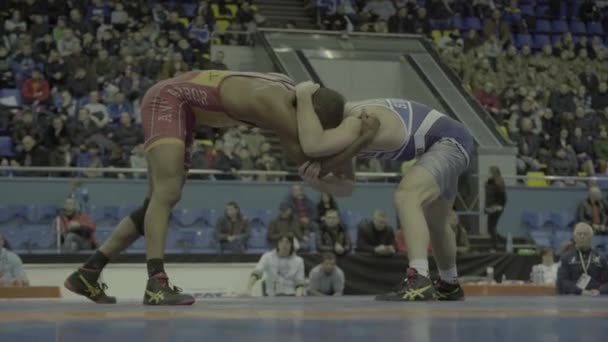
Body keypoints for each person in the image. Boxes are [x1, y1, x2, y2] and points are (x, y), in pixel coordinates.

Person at [63, 71, 380, 305]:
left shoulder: (289, 90)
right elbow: (306, 157)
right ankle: (156, 283)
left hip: (180, 104)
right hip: (169, 100)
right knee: (167, 194)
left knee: (154, 205)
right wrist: (362, 140)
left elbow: (315, 149)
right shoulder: (276, 103)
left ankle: (89, 272)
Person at [295, 82, 475, 301]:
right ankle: (449, 284)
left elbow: (312, 145)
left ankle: (419, 279)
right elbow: (346, 187)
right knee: (436, 222)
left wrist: (303, 96)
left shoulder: (356, 120)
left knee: (407, 196)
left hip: (449, 142)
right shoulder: (350, 128)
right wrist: (315, 181)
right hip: (450, 141)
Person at [556, 222, 608, 296]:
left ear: (591, 237)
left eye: (585, 234)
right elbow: (561, 281)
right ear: (575, 238)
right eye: (579, 234)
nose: (582, 236)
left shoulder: (600, 258)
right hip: (573, 297)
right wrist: (580, 291)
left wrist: (600, 291)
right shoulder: (566, 258)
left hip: (595, 296)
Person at [485, 166, 506, 251]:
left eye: (491, 171)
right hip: (493, 206)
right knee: (491, 227)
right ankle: (501, 241)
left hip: (496, 207)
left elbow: (502, 197)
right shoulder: (492, 181)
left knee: (491, 227)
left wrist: (498, 206)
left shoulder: (498, 182)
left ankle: (495, 245)